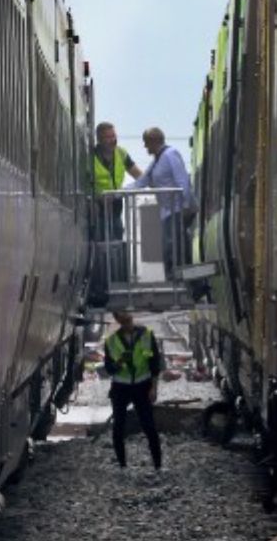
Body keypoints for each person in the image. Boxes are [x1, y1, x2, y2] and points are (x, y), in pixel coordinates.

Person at [128, 127, 198, 283]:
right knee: (169, 250)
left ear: (154, 141)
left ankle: (184, 286)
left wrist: (186, 206)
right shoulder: (157, 160)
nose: (145, 147)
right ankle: (177, 284)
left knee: (174, 250)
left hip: (177, 210)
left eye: (146, 143)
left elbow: (182, 182)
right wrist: (117, 193)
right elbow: (142, 182)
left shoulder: (171, 155)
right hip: (167, 213)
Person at [90, 122, 143, 304]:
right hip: (97, 210)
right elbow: (82, 183)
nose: (112, 140)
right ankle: (102, 286)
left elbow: (138, 174)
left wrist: (138, 186)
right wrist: (97, 198)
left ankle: (118, 282)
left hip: (115, 208)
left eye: (113, 136)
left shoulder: (121, 153)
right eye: (108, 137)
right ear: (99, 139)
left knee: (117, 243)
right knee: (101, 247)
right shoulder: (90, 157)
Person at [103, 311, 164, 470]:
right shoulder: (111, 341)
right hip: (120, 388)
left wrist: (154, 387)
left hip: (142, 385)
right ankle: (122, 465)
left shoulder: (146, 335)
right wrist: (120, 362)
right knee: (118, 428)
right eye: (123, 321)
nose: (127, 324)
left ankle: (158, 465)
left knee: (149, 426)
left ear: (132, 319)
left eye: (128, 320)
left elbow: (154, 362)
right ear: (118, 322)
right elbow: (109, 369)